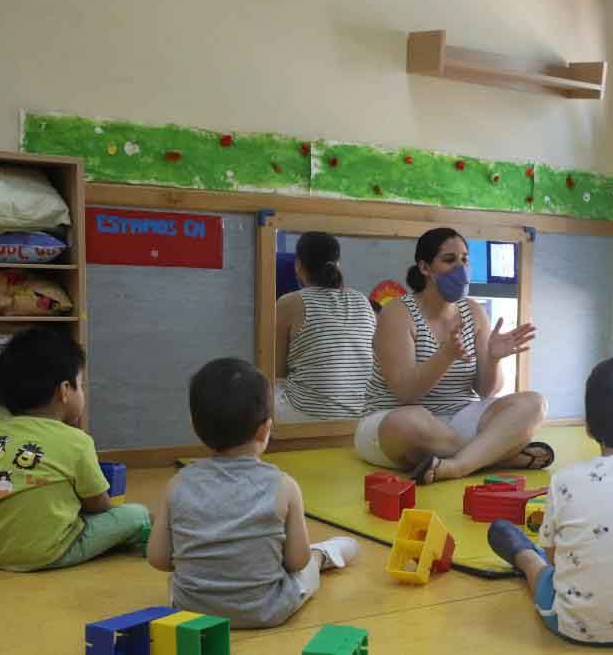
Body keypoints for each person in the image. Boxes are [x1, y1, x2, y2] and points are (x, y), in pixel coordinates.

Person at [487, 354, 613, 646]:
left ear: (589, 428)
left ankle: (523, 556)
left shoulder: (564, 480)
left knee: (539, 569)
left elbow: (556, 559)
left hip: (571, 625)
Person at [147, 358, 359, 628]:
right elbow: (296, 561)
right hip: (266, 609)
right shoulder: (284, 486)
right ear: (265, 429)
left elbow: (158, 558)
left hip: (192, 611)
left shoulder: (177, 485)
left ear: (194, 424)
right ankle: (325, 554)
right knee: (307, 569)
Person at [357, 227, 550, 483]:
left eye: (464, 259)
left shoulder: (473, 311)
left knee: (534, 403)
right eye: (449, 260)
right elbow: (406, 392)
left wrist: (493, 359)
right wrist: (445, 356)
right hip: (394, 422)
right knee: (409, 421)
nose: (461, 268)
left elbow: (486, 391)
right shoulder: (397, 314)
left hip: (458, 419)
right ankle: (498, 455)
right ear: (425, 268)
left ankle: (458, 465)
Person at [0, 327, 150, 571]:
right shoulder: (76, 441)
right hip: (45, 552)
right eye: (80, 385)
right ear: (64, 391)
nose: (82, 392)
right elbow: (98, 505)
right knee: (136, 514)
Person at [275, 231, 375, 422]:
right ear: (337, 264)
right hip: (360, 416)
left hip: (305, 415)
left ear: (298, 265)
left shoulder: (289, 303)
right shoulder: (362, 300)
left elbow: (276, 372)